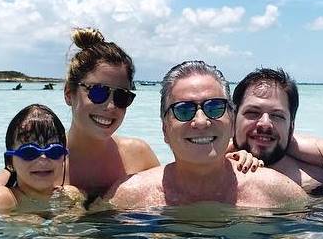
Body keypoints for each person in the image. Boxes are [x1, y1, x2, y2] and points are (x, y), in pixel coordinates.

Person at [0, 27, 160, 203]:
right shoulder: (40, 160)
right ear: (69, 93)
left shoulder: (139, 156)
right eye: (98, 92)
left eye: (121, 96)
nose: (110, 106)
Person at [105, 61, 308, 208]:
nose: (201, 121)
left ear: (232, 123)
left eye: (215, 107)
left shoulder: (279, 194)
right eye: (183, 110)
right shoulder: (127, 198)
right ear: (165, 129)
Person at [231, 67, 323, 192]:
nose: (265, 123)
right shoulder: (213, 165)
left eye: (277, 115)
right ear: (233, 119)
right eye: (253, 112)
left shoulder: (318, 182)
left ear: (291, 127)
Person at [0, 104, 84, 214]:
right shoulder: (4, 198)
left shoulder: (69, 196)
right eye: (29, 152)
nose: (43, 158)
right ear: (10, 162)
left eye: (54, 151)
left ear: (64, 158)